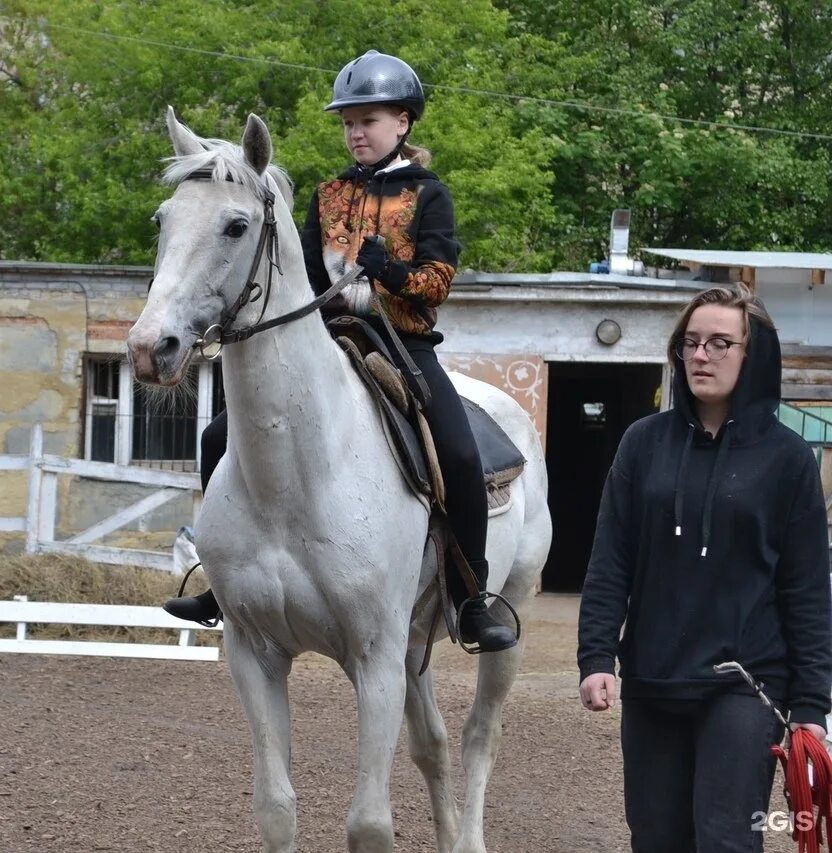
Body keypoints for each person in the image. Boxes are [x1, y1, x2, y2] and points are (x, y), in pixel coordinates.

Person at [163, 49, 518, 653]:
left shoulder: (428, 193)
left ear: (403, 123)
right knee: (218, 437)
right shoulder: (328, 195)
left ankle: (471, 594)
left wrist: (394, 273)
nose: (356, 131)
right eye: (349, 122)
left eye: (369, 120)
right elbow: (294, 274)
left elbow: (439, 280)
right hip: (324, 336)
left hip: (401, 340)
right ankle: (219, 580)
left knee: (457, 453)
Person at [577, 285, 832, 852]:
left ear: (752, 353)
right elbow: (610, 560)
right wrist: (596, 655)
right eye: (691, 343)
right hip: (652, 681)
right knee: (657, 839)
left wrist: (812, 704)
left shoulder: (788, 460)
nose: (701, 356)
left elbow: (807, 590)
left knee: (726, 842)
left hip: (745, 683)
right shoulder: (641, 444)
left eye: (720, 343)